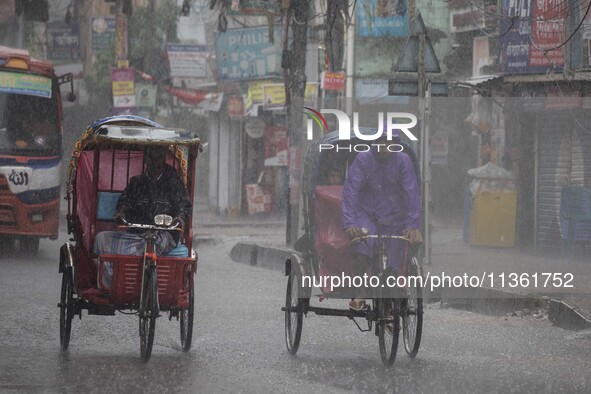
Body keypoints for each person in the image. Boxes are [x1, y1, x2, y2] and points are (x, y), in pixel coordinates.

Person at [341, 132, 422, 311]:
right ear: (375, 142)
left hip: (395, 218)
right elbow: (351, 191)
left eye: (390, 142)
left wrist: (413, 225)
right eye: (381, 142)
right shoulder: (363, 159)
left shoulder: (403, 160)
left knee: (394, 262)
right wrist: (349, 223)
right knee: (361, 248)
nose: (385, 146)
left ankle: (389, 303)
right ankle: (361, 291)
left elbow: (412, 192)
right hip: (366, 216)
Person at [94, 145, 191, 285]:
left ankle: (140, 281)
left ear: (164, 159)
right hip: (136, 235)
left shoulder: (173, 182)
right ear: (146, 159)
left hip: (163, 234)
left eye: (158, 158)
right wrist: (121, 214)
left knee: (153, 244)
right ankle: (112, 285)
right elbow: (124, 203)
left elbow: (183, 204)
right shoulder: (136, 183)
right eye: (152, 157)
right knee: (101, 238)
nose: (155, 162)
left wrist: (179, 219)